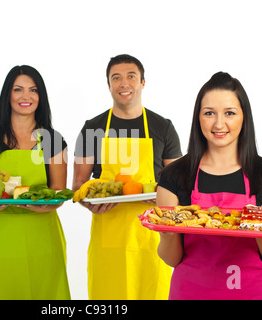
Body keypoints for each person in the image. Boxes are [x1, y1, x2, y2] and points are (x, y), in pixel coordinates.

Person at [156, 72, 262, 300]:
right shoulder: (174, 176)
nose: (219, 124)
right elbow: (171, 259)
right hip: (190, 293)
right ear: (198, 117)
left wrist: (261, 229)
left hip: (251, 293)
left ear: (244, 117)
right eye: (209, 113)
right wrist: (168, 234)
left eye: (229, 113)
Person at [73, 54, 182, 299]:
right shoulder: (93, 128)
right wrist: (88, 202)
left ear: (143, 82)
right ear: (108, 85)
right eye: (116, 78)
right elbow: (78, 184)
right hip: (109, 235)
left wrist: (163, 198)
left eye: (131, 76)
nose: (124, 83)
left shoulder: (163, 127)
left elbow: (179, 184)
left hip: (153, 238)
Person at [0, 65, 70, 300]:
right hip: (3, 237)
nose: (26, 97)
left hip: (44, 236)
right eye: (18, 90)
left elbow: (59, 191)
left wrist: (47, 204)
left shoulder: (54, 141)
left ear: (41, 97)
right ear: (8, 95)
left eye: (33, 90)